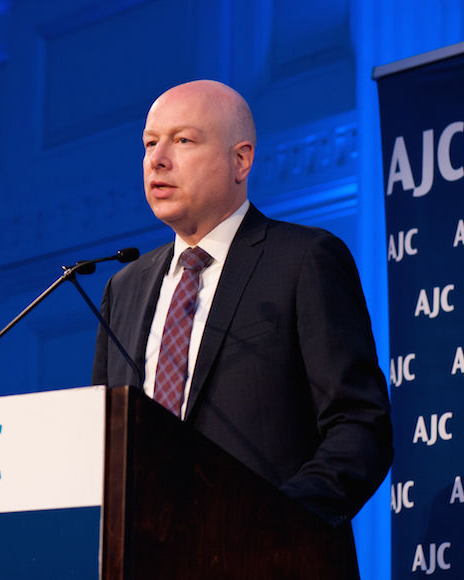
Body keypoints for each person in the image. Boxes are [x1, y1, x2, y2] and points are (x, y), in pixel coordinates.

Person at [92, 79, 392, 528]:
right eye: (150, 143)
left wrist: (275, 520)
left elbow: (360, 425)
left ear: (241, 159)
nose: (157, 159)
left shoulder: (303, 260)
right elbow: (103, 441)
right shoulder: (124, 287)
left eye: (183, 140)